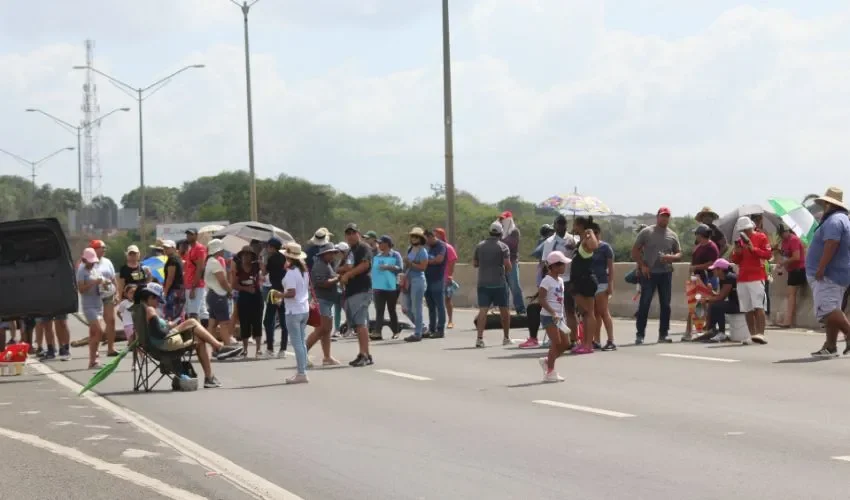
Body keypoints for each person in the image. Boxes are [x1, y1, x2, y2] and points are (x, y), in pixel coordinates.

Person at [137, 283, 242, 388]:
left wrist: (170, 326)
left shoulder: (139, 310)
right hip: (166, 343)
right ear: (150, 297)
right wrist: (170, 327)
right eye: (157, 300)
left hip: (158, 344)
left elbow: (154, 331)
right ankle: (218, 349)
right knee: (192, 322)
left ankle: (211, 374)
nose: (157, 304)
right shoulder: (150, 310)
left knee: (199, 339)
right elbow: (160, 333)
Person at [520, 215, 577, 349]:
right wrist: (546, 281)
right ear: (555, 225)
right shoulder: (549, 242)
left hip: (569, 279)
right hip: (553, 280)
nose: (561, 226)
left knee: (569, 311)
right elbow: (545, 262)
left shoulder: (572, 240)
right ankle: (555, 339)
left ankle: (573, 339)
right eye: (558, 224)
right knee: (553, 309)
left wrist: (574, 247)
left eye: (563, 224)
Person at [806, 188, 850, 357]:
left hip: (828, 274)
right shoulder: (842, 219)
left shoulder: (834, 220)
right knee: (832, 311)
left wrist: (821, 267)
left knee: (827, 309)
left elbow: (831, 243)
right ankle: (830, 346)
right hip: (837, 274)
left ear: (828, 204)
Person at [632, 207, 682, 344]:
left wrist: (670, 257)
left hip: (665, 273)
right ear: (657, 217)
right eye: (662, 216)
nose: (664, 218)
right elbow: (635, 250)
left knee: (666, 305)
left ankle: (663, 334)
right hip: (649, 274)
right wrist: (642, 265)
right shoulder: (647, 232)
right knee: (645, 303)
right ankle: (640, 334)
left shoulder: (672, 235)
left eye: (667, 216)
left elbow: (679, 254)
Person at [729, 216, 772, 345]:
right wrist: (737, 252)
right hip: (742, 278)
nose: (744, 232)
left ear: (751, 227)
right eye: (742, 230)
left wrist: (754, 249)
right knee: (747, 309)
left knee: (758, 306)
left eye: (746, 229)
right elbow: (735, 260)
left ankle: (761, 334)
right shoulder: (739, 241)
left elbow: (768, 255)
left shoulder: (761, 237)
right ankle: (752, 335)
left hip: (757, 276)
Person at [473, 222, 512, 348]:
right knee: (504, 311)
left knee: (483, 310)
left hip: (483, 282)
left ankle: (479, 339)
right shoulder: (503, 247)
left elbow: (475, 263)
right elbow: (508, 265)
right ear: (500, 233)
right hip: (499, 283)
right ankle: (506, 337)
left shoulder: (480, 246)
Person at [340, 224, 374, 366]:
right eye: (348, 233)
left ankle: (363, 354)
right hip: (351, 291)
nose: (350, 236)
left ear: (358, 233)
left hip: (362, 289)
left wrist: (349, 273)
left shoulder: (363, 248)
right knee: (358, 324)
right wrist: (343, 270)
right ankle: (366, 353)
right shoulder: (349, 251)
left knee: (361, 323)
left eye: (353, 233)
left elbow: (365, 265)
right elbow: (340, 266)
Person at [537, 251, 572, 382]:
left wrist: (560, 315)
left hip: (559, 317)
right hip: (548, 316)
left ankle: (547, 361)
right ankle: (550, 372)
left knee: (565, 343)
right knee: (556, 342)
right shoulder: (547, 281)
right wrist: (552, 312)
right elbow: (541, 299)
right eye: (562, 265)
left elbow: (560, 300)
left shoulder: (561, 280)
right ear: (554, 266)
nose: (564, 267)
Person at [306, 243, 341, 366]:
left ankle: (327, 357)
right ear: (324, 254)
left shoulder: (326, 265)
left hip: (327, 300)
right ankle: (303, 352)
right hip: (322, 300)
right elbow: (322, 283)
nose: (333, 255)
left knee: (326, 330)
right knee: (321, 329)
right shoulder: (320, 265)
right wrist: (337, 279)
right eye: (330, 253)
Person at [569, 216, 600, 354]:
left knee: (588, 312)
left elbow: (594, 246)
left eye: (575, 225)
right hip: (578, 281)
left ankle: (588, 344)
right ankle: (585, 342)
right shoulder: (581, 241)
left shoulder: (587, 239)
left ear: (580, 225)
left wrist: (590, 232)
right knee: (584, 312)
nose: (573, 227)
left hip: (586, 280)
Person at [684, 224, 720, 341]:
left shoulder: (712, 247)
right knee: (693, 305)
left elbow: (712, 264)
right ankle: (689, 332)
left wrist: (696, 267)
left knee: (707, 306)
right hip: (697, 279)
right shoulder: (698, 247)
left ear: (701, 235)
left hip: (708, 279)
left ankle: (708, 330)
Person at [281, 243, 311, 383]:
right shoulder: (303, 271)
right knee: (302, 342)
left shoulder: (291, 272)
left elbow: (291, 293)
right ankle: (302, 370)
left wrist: (279, 295)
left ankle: (301, 372)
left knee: (297, 343)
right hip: (304, 308)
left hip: (293, 310)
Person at [232, 245, 264, 358]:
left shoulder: (256, 266)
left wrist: (261, 263)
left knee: (257, 322)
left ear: (252, 256)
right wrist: (246, 289)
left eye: (248, 254)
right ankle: (245, 349)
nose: (246, 256)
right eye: (244, 254)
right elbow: (234, 285)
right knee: (244, 323)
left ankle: (258, 349)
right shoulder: (238, 268)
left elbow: (264, 273)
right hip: (244, 297)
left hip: (256, 297)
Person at [77, 248, 106, 369]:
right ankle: (93, 358)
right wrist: (93, 283)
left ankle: (93, 359)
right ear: (84, 260)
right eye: (90, 261)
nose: (93, 263)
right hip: (89, 306)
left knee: (95, 333)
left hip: (98, 304)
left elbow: (101, 282)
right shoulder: (81, 271)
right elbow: (81, 289)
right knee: (99, 331)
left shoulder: (95, 269)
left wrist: (105, 283)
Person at [88, 240, 119, 356]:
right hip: (94, 297)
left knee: (111, 320)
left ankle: (111, 348)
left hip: (108, 295)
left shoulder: (107, 262)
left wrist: (117, 294)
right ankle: (94, 351)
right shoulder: (87, 263)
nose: (104, 250)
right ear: (94, 249)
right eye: (102, 247)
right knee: (97, 325)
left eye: (105, 247)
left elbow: (113, 278)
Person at [203, 239, 235, 349]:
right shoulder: (214, 263)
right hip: (218, 295)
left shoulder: (210, 261)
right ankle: (227, 347)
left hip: (212, 295)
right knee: (224, 323)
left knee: (212, 324)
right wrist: (230, 291)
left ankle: (212, 347)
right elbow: (222, 281)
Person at [372, 235, 403, 340]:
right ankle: (377, 332)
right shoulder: (378, 256)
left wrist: (388, 267)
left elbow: (400, 268)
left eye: (381, 243)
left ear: (387, 244)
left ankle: (396, 331)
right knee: (379, 309)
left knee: (391, 309)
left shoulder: (395, 255)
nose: (379, 245)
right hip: (379, 286)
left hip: (392, 285)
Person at [591, 226, 616, 351]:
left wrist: (610, 284)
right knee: (595, 313)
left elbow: (611, 268)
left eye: (596, 233)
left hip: (602, 283)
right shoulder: (587, 247)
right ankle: (596, 340)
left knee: (603, 311)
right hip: (590, 284)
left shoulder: (605, 248)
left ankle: (611, 340)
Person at [701, 258, 740, 341]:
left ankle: (721, 332)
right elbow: (721, 295)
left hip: (739, 305)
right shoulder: (723, 278)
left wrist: (707, 300)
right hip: (732, 302)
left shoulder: (729, 277)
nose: (713, 271)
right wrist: (711, 291)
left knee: (717, 306)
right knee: (714, 305)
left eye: (714, 269)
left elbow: (721, 297)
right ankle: (711, 330)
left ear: (720, 269)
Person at [776, 224, 806, 328]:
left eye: (783, 233)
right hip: (791, 270)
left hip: (798, 269)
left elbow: (796, 257)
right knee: (790, 295)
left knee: (791, 295)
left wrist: (784, 263)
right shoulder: (784, 242)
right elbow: (785, 255)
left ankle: (788, 321)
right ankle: (788, 320)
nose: (782, 236)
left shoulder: (794, 240)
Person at [402, 228, 429, 342]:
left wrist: (411, 264)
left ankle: (417, 333)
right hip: (408, 279)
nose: (414, 238)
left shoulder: (422, 251)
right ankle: (422, 327)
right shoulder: (410, 249)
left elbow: (423, 267)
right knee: (406, 308)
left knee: (416, 308)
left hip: (418, 280)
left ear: (421, 239)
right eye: (412, 236)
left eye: (416, 237)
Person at [264, 237, 288, 358]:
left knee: (268, 320)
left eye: (268, 246)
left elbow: (264, 272)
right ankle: (283, 349)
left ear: (272, 247)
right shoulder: (285, 258)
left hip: (275, 292)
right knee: (284, 321)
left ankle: (270, 348)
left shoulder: (272, 258)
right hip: (284, 291)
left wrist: (261, 263)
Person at [499, 211, 526, 315]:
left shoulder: (514, 232)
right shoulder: (501, 231)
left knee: (515, 287)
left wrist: (500, 242)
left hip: (512, 263)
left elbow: (510, 245)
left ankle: (521, 309)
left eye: (503, 219)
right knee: (503, 288)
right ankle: (504, 310)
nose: (501, 221)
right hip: (501, 264)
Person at [423, 229, 447, 338]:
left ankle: (440, 329)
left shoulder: (441, 246)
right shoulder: (427, 247)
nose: (426, 242)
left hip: (437, 279)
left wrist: (426, 262)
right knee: (430, 306)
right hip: (426, 279)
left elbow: (439, 260)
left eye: (427, 239)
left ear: (432, 237)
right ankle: (431, 328)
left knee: (440, 305)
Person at [434, 228, 458, 329]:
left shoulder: (448, 248)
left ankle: (450, 320)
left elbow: (452, 262)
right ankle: (436, 321)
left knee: (447, 300)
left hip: (445, 277)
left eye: (437, 235)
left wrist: (450, 275)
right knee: (435, 300)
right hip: (434, 277)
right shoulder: (433, 248)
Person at [183, 229, 208, 325]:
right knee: (202, 313)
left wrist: (193, 287)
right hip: (191, 284)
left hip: (195, 285)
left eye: (191, 234)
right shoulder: (191, 249)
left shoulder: (199, 248)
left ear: (196, 236)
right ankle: (204, 336)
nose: (188, 236)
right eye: (187, 234)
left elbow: (200, 268)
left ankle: (197, 337)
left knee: (193, 314)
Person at [161, 240, 185, 321]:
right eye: (164, 248)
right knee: (178, 316)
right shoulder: (177, 258)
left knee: (171, 316)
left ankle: (174, 332)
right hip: (179, 290)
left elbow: (170, 278)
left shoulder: (172, 260)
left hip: (173, 291)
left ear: (174, 248)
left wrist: (165, 292)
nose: (165, 249)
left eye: (168, 248)